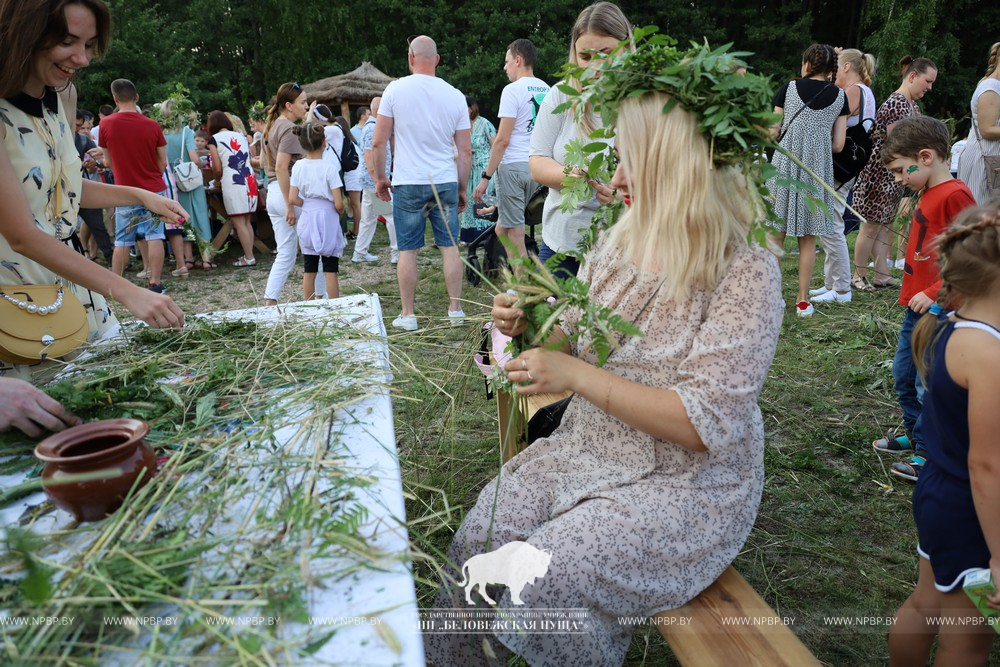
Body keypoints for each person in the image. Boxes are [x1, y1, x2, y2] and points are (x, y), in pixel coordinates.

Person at [425, 39, 784, 667]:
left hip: (686, 483)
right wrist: (524, 322)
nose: (612, 179)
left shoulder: (746, 268)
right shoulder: (622, 239)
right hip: (589, 446)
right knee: (478, 541)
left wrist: (575, 375)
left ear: (676, 166)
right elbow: (566, 337)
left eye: (628, 161)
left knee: (545, 580)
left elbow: (706, 424)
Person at [0, 0, 185, 388]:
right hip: (19, 299)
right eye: (68, 41)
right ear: (24, 33)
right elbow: (21, 233)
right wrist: (127, 291)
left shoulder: (58, 97)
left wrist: (139, 195)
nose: (82, 58)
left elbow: (62, 190)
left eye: (89, 44)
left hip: (75, 285)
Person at [888, 201, 1000, 666]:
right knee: (968, 642)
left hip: (941, 494)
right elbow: (987, 465)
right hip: (973, 513)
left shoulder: (952, 326)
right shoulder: (986, 352)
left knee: (926, 604)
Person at [870, 116, 975, 483]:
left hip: (941, 309)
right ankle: (915, 435)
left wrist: (934, 292)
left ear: (926, 157)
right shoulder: (928, 191)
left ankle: (931, 454)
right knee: (904, 375)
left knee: (927, 382)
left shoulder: (955, 195)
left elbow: (969, 255)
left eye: (901, 170)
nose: (899, 179)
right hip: (917, 307)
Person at [372, 35, 472, 331]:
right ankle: (455, 310)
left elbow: (379, 142)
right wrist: (462, 186)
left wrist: (380, 178)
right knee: (450, 247)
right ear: (437, 60)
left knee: (408, 249)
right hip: (443, 180)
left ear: (410, 58)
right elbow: (465, 150)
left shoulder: (394, 90)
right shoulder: (455, 95)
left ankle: (408, 314)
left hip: (409, 181)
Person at [529, 2, 628, 278]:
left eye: (605, 54)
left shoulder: (644, 104)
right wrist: (569, 175)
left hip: (624, 248)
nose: (594, 66)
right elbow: (537, 162)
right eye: (585, 56)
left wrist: (625, 197)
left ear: (627, 48)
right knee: (552, 320)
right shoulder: (561, 96)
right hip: (564, 243)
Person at [767, 43, 849, 318]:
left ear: (806, 64)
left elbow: (772, 132)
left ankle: (771, 296)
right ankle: (803, 301)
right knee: (808, 238)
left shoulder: (787, 88)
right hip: (817, 169)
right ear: (831, 68)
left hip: (784, 165)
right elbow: (838, 145)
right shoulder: (840, 96)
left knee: (776, 234)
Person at [852, 56, 937, 291]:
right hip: (879, 173)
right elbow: (898, 143)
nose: (929, 87)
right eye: (927, 81)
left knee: (884, 224)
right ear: (912, 76)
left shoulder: (912, 105)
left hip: (893, 175)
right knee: (870, 226)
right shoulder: (897, 103)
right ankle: (858, 275)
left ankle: (882, 274)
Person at [810, 48, 877, 306]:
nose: (833, 72)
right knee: (832, 220)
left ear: (847, 67)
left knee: (830, 224)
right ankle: (831, 284)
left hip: (840, 165)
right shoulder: (865, 91)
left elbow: (826, 120)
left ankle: (840, 289)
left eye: (836, 66)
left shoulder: (852, 92)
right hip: (850, 164)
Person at [473, 39, 550, 258]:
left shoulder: (512, 90)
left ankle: (524, 288)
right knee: (502, 229)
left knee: (515, 235)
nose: (504, 67)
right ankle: (522, 279)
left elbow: (502, 139)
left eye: (507, 62)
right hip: (538, 166)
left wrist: (486, 176)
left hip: (513, 168)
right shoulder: (548, 89)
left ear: (518, 60)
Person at [99, 78, 171, 293]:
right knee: (155, 235)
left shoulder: (106, 124)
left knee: (122, 239)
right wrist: (151, 175)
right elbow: (163, 162)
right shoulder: (152, 125)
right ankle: (155, 283)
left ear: (115, 99)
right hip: (153, 187)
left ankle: (116, 286)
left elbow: (107, 162)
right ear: (136, 97)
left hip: (124, 191)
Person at [261, 82, 308, 306]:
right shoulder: (288, 128)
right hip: (287, 193)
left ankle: (270, 299)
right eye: (303, 102)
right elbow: (281, 167)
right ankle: (320, 297)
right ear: (289, 105)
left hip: (273, 193)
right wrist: (290, 204)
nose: (307, 106)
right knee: (312, 248)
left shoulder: (271, 126)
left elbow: (264, 163)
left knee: (286, 253)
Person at [287, 120, 345, 301]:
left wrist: (307, 204)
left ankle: (308, 305)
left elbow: (292, 198)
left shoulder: (298, 167)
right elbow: (339, 203)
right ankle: (334, 305)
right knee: (330, 268)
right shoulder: (330, 168)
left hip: (308, 216)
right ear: (324, 143)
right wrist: (339, 213)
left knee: (309, 266)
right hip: (327, 217)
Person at [161, 97, 214, 270]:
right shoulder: (187, 132)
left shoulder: (162, 133)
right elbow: (193, 157)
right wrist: (200, 163)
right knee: (200, 215)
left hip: (174, 180)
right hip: (191, 179)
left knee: (183, 218)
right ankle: (206, 258)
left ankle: (189, 258)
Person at [207, 110, 258, 267]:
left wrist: (216, 181)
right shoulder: (241, 136)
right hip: (249, 179)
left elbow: (216, 167)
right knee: (246, 220)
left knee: (238, 221)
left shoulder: (214, 139)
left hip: (233, 181)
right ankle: (249, 255)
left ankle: (249, 257)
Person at [957, 42, 1000, 204]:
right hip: (983, 163)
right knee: (977, 216)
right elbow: (986, 129)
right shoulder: (991, 87)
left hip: (993, 162)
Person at [358, 96, 398, 263]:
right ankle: (397, 254)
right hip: (374, 182)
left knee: (368, 219)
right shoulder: (373, 129)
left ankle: (359, 253)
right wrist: (378, 181)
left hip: (370, 182)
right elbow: (369, 158)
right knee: (391, 216)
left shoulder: (372, 127)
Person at [73, 108, 114, 263]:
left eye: (81, 126)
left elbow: (101, 156)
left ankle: (110, 258)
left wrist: (94, 161)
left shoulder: (82, 140)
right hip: (59, 191)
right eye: (77, 126)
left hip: (82, 188)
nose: (78, 129)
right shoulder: (55, 138)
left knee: (97, 226)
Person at [459, 95, 496, 244]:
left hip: (484, 168)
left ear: (471, 108)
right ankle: (470, 237)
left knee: (483, 200)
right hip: (469, 169)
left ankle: (486, 236)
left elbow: (495, 145)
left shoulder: (484, 123)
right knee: (469, 201)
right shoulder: (461, 126)